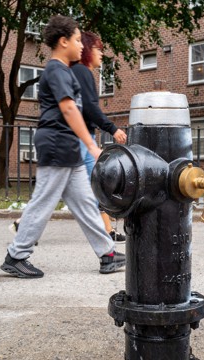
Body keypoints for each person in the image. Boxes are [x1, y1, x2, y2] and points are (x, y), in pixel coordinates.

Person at [1, 15, 125, 279]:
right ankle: (17, 255)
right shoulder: (56, 70)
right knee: (43, 203)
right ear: (63, 41)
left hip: (67, 148)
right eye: (78, 40)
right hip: (57, 144)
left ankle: (107, 254)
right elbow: (69, 109)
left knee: (85, 204)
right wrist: (92, 146)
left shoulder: (65, 71)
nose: (82, 46)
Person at [70, 31, 127, 242]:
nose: (101, 54)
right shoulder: (82, 72)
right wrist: (112, 128)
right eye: (98, 49)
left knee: (91, 184)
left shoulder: (77, 71)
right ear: (86, 50)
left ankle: (107, 231)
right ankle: (105, 238)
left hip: (81, 137)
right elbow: (90, 108)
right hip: (80, 138)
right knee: (95, 184)